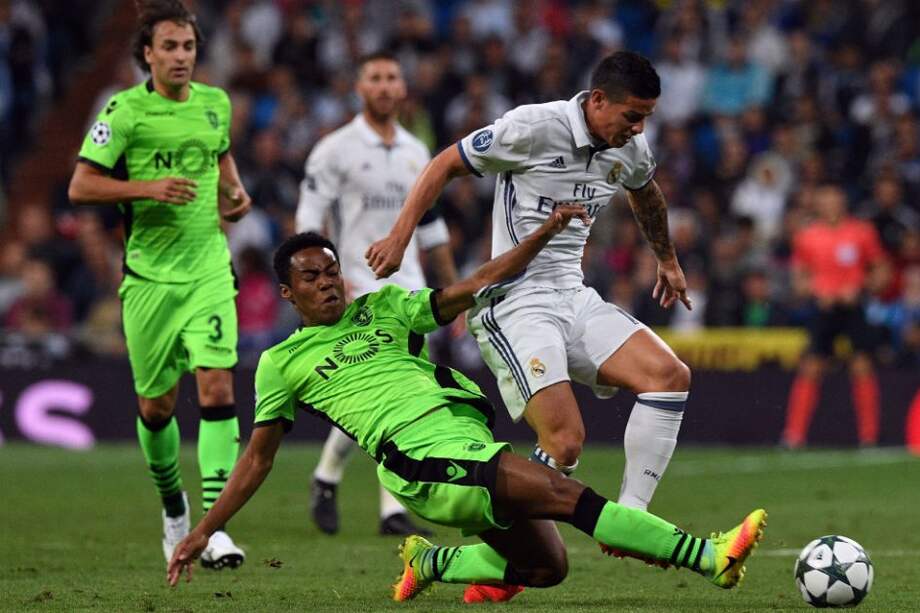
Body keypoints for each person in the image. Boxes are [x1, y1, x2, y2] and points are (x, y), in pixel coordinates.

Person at [166, 208, 767, 604]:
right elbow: (258, 461)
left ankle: (432, 564)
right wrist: (204, 530)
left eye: (331, 272)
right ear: (287, 292)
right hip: (417, 457)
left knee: (546, 568)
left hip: (462, 440)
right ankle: (709, 556)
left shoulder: (384, 309)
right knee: (566, 496)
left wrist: (539, 236)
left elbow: (472, 285)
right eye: (311, 277)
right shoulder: (281, 363)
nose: (327, 283)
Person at [367, 51, 693, 540]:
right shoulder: (533, 127)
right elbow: (443, 165)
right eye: (632, 117)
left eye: (646, 118)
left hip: (572, 294)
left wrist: (667, 260)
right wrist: (399, 236)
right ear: (598, 100)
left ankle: (631, 519)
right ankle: (499, 551)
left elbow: (646, 193)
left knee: (669, 376)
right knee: (563, 444)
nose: (639, 129)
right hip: (515, 301)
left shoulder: (631, 148)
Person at [68, 0, 250, 569]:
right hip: (148, 280)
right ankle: (174, 510)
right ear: (146, 54)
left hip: (208, 272)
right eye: (169, 47)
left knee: (218, 388)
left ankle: (215, 525)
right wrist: (146, 189)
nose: (180, 57)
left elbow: (221, 161)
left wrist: (235, 194)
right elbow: (80, 186)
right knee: (155, 408)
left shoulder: (215, 104)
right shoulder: (124, 112)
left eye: (188, 47)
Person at [295, 50, 457, 538]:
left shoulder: (416, 152)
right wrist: (323, 280)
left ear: (403, 89)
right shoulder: (334, 149)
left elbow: (431, 228)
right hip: (357, 285)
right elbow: (308, 221)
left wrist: (452, 291)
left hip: (408, 291)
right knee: (379, 396)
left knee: (398, 397)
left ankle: (330, 479)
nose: (385, 86)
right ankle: (389, 507)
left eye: (392, 78)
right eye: (375, 78)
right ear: (359, 88)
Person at [781, 184, 888, 448]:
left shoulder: (862, 232)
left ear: (843, 202)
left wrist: (861, 286)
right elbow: (798, 280)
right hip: (824, 308)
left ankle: (869, 437)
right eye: (825, 200)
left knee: (861, 365)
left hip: (853, 307)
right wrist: (817, 290)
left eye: (835, 199)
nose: (830, 205)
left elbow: (882, 271)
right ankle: (794, 436)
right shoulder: (807, 236)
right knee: (811, 367)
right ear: (818, 204)